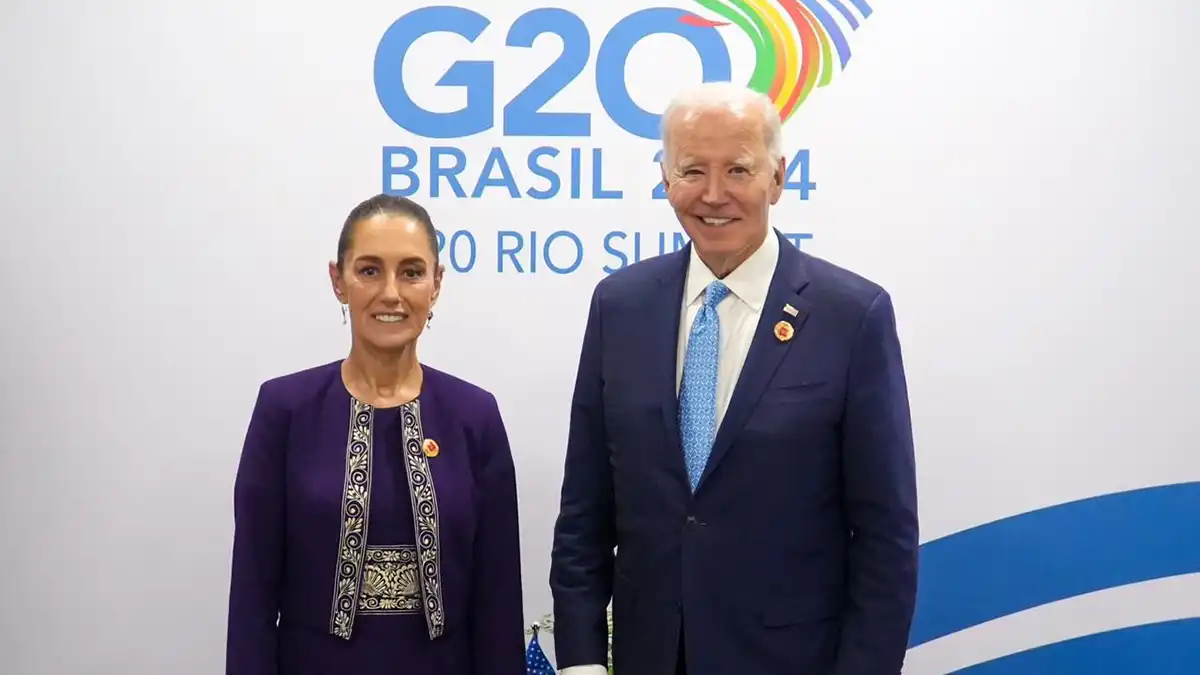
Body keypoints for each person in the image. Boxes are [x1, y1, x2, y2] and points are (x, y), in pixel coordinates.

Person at [549, 82, 919, 675]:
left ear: (778, 176)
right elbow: (584, 512)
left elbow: (886, 537)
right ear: (665, 178)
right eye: (693, 170)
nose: (714, 195)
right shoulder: (619, 306)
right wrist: (583, 661)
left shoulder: (852, 316)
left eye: (739, 170)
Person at [225, 194, 526, 675]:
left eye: (411, 272)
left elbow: (498, 602)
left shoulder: (475, 415)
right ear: (337, 281)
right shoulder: (284, 410)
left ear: (437, 283)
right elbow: (252, 597)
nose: (391, 293)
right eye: (369, 271)